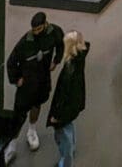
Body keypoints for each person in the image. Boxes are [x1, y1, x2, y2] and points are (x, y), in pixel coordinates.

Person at [4, 11, 64, 162]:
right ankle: (11, 145)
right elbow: (11, 62)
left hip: (42, 80)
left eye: (38, 29)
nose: (36, 32)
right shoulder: (25, 42)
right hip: (27, 85)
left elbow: (60, 43)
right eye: (34, 29)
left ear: (45, 24)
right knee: (19, 114)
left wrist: (56, 60)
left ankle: (32, 130)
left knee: (37, 105)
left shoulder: (53, 32)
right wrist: (16, 79)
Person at [46, 30, 89, 167]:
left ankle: (65, 163)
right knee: (69, 129)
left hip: (65, 109)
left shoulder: (69, 70)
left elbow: (62, 95)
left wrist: (56, 116)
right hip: (75, 104)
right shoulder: (80, 57)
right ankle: (70, 153)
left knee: (63, 137)